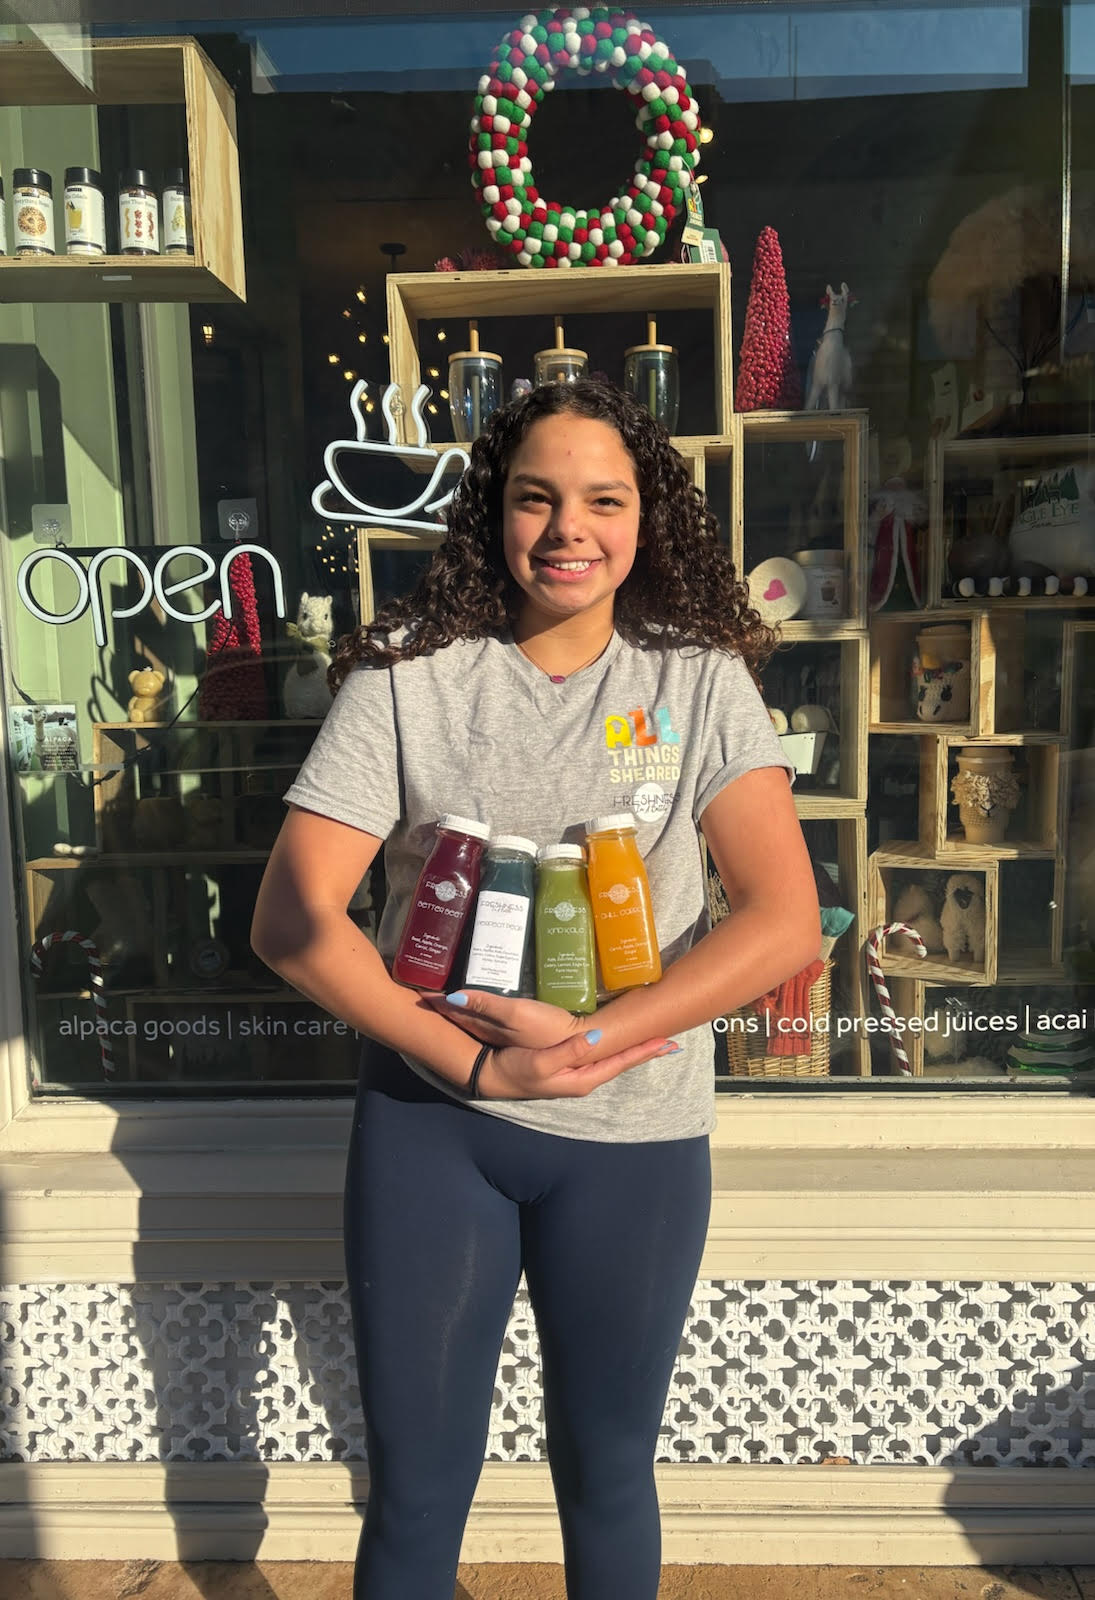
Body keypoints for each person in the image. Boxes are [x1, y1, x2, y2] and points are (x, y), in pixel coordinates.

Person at [251, 378, 819, 1600]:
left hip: (635, 1135)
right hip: (431, 1127)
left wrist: (593, 1042)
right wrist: (470, 1063)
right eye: (536, 498)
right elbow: (294, 922)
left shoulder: (699, 682)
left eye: (604, 499)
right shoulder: (408, 677)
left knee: (609, 1469)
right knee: (415, 1483)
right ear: (492, 515)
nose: (570, 529)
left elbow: (784, 920)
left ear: (646, 517)